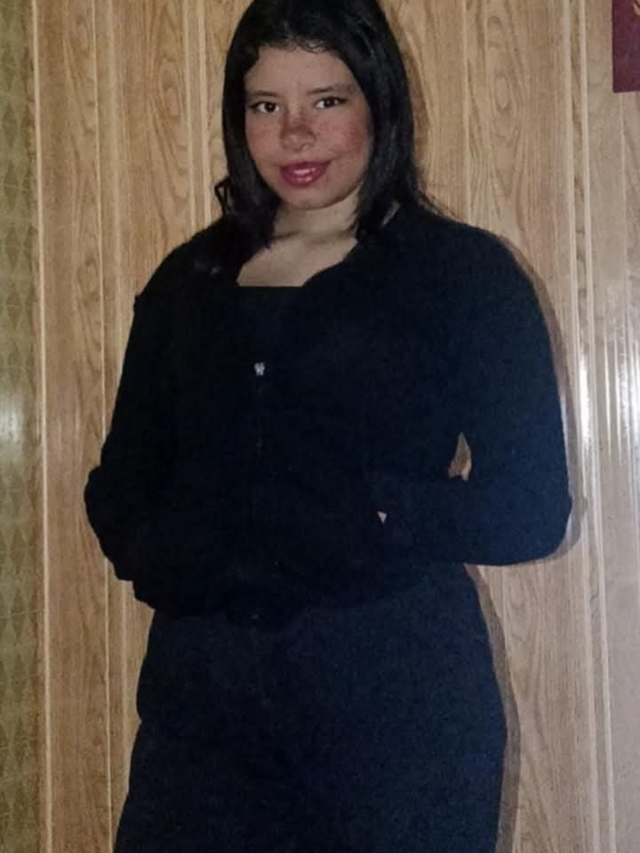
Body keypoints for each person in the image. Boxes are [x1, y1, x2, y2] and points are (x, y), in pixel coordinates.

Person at [85, 0, 571, 850]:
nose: (295, 134)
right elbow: (121, 483)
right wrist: (176, 555)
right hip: (204, 711)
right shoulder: (187, 282)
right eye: (266, 105)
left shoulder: (462, 276)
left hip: (396, 699)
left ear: (379, 103)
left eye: (327, 100)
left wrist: (380, 512)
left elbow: (531, 507)